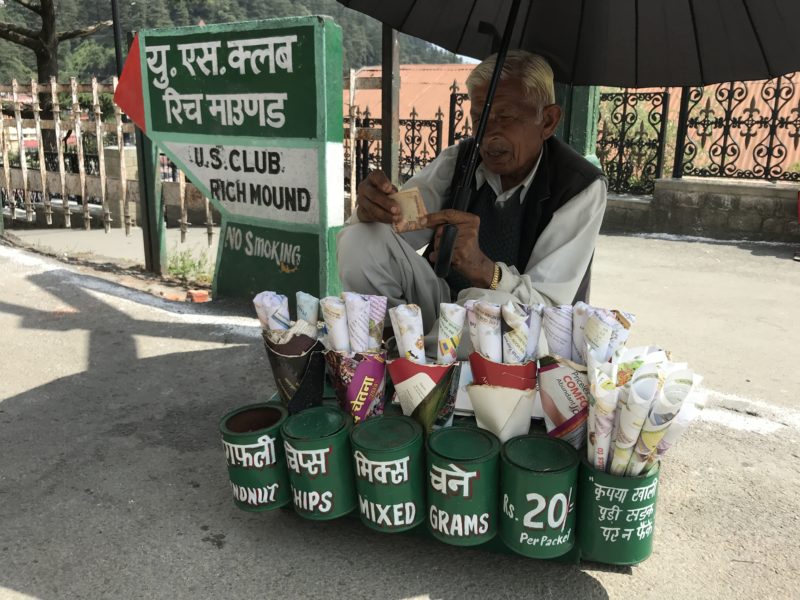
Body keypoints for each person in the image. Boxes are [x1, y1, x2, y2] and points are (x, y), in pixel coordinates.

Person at [337, 50, 607, 350]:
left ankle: (414, 362)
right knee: (360, 239)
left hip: (519, 334)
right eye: (479, 117)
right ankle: (389, 347)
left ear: (548, 121)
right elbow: (398, 224)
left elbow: (546, 305)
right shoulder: (460, 161)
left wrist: (486, 272)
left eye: (505, 116)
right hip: (445, 311)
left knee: (489, 307)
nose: (489, 134)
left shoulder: (580, 187)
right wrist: (373, 208)